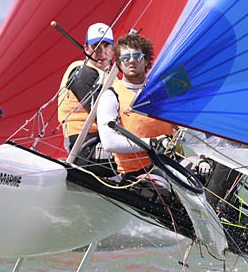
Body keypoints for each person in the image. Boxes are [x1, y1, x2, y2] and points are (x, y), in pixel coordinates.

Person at [97, 33, 175, 182]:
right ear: (119, 64)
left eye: (137, 56)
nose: (131, 61)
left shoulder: (163, 90)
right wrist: (151, 143)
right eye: (125, 58)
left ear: (146, 60)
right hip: (138, 174)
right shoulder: (111, 96)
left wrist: (201, 157)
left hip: (171, 164)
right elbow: (109, 142)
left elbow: (190, 126)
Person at [57, 22, 115, 153]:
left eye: (106, 46)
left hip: (105, 140)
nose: (102, 52)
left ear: (113, 49)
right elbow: (103, 115)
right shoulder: (82, 71)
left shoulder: (113, 77)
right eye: (96, 46)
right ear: (86, 48)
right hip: (85, 145)